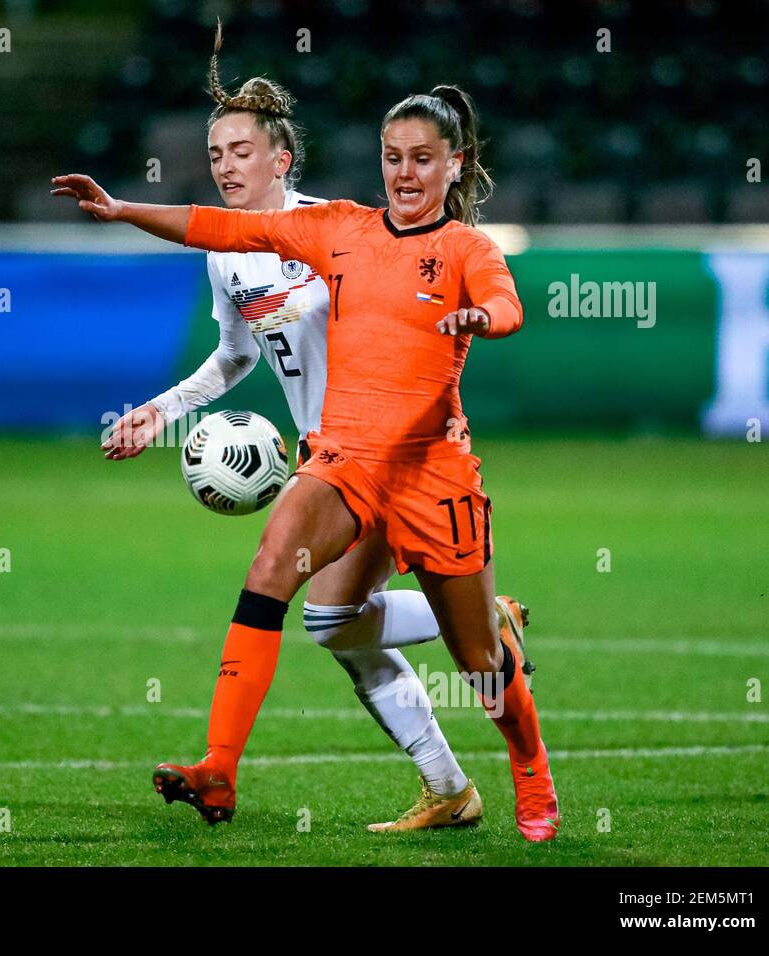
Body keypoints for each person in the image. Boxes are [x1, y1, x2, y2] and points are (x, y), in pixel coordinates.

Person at [53, 75, 559, 841]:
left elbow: (507, 302)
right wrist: (121, 211)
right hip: (337, 458)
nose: (226, 165)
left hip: (425, 463)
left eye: (241, 150)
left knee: (460, 656)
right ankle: (224, 768)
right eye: (393, 157)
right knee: (292, 592)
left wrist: (483, 316)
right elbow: (216, 269)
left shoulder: (393, 234)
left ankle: (515, 739)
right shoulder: (305, 237)